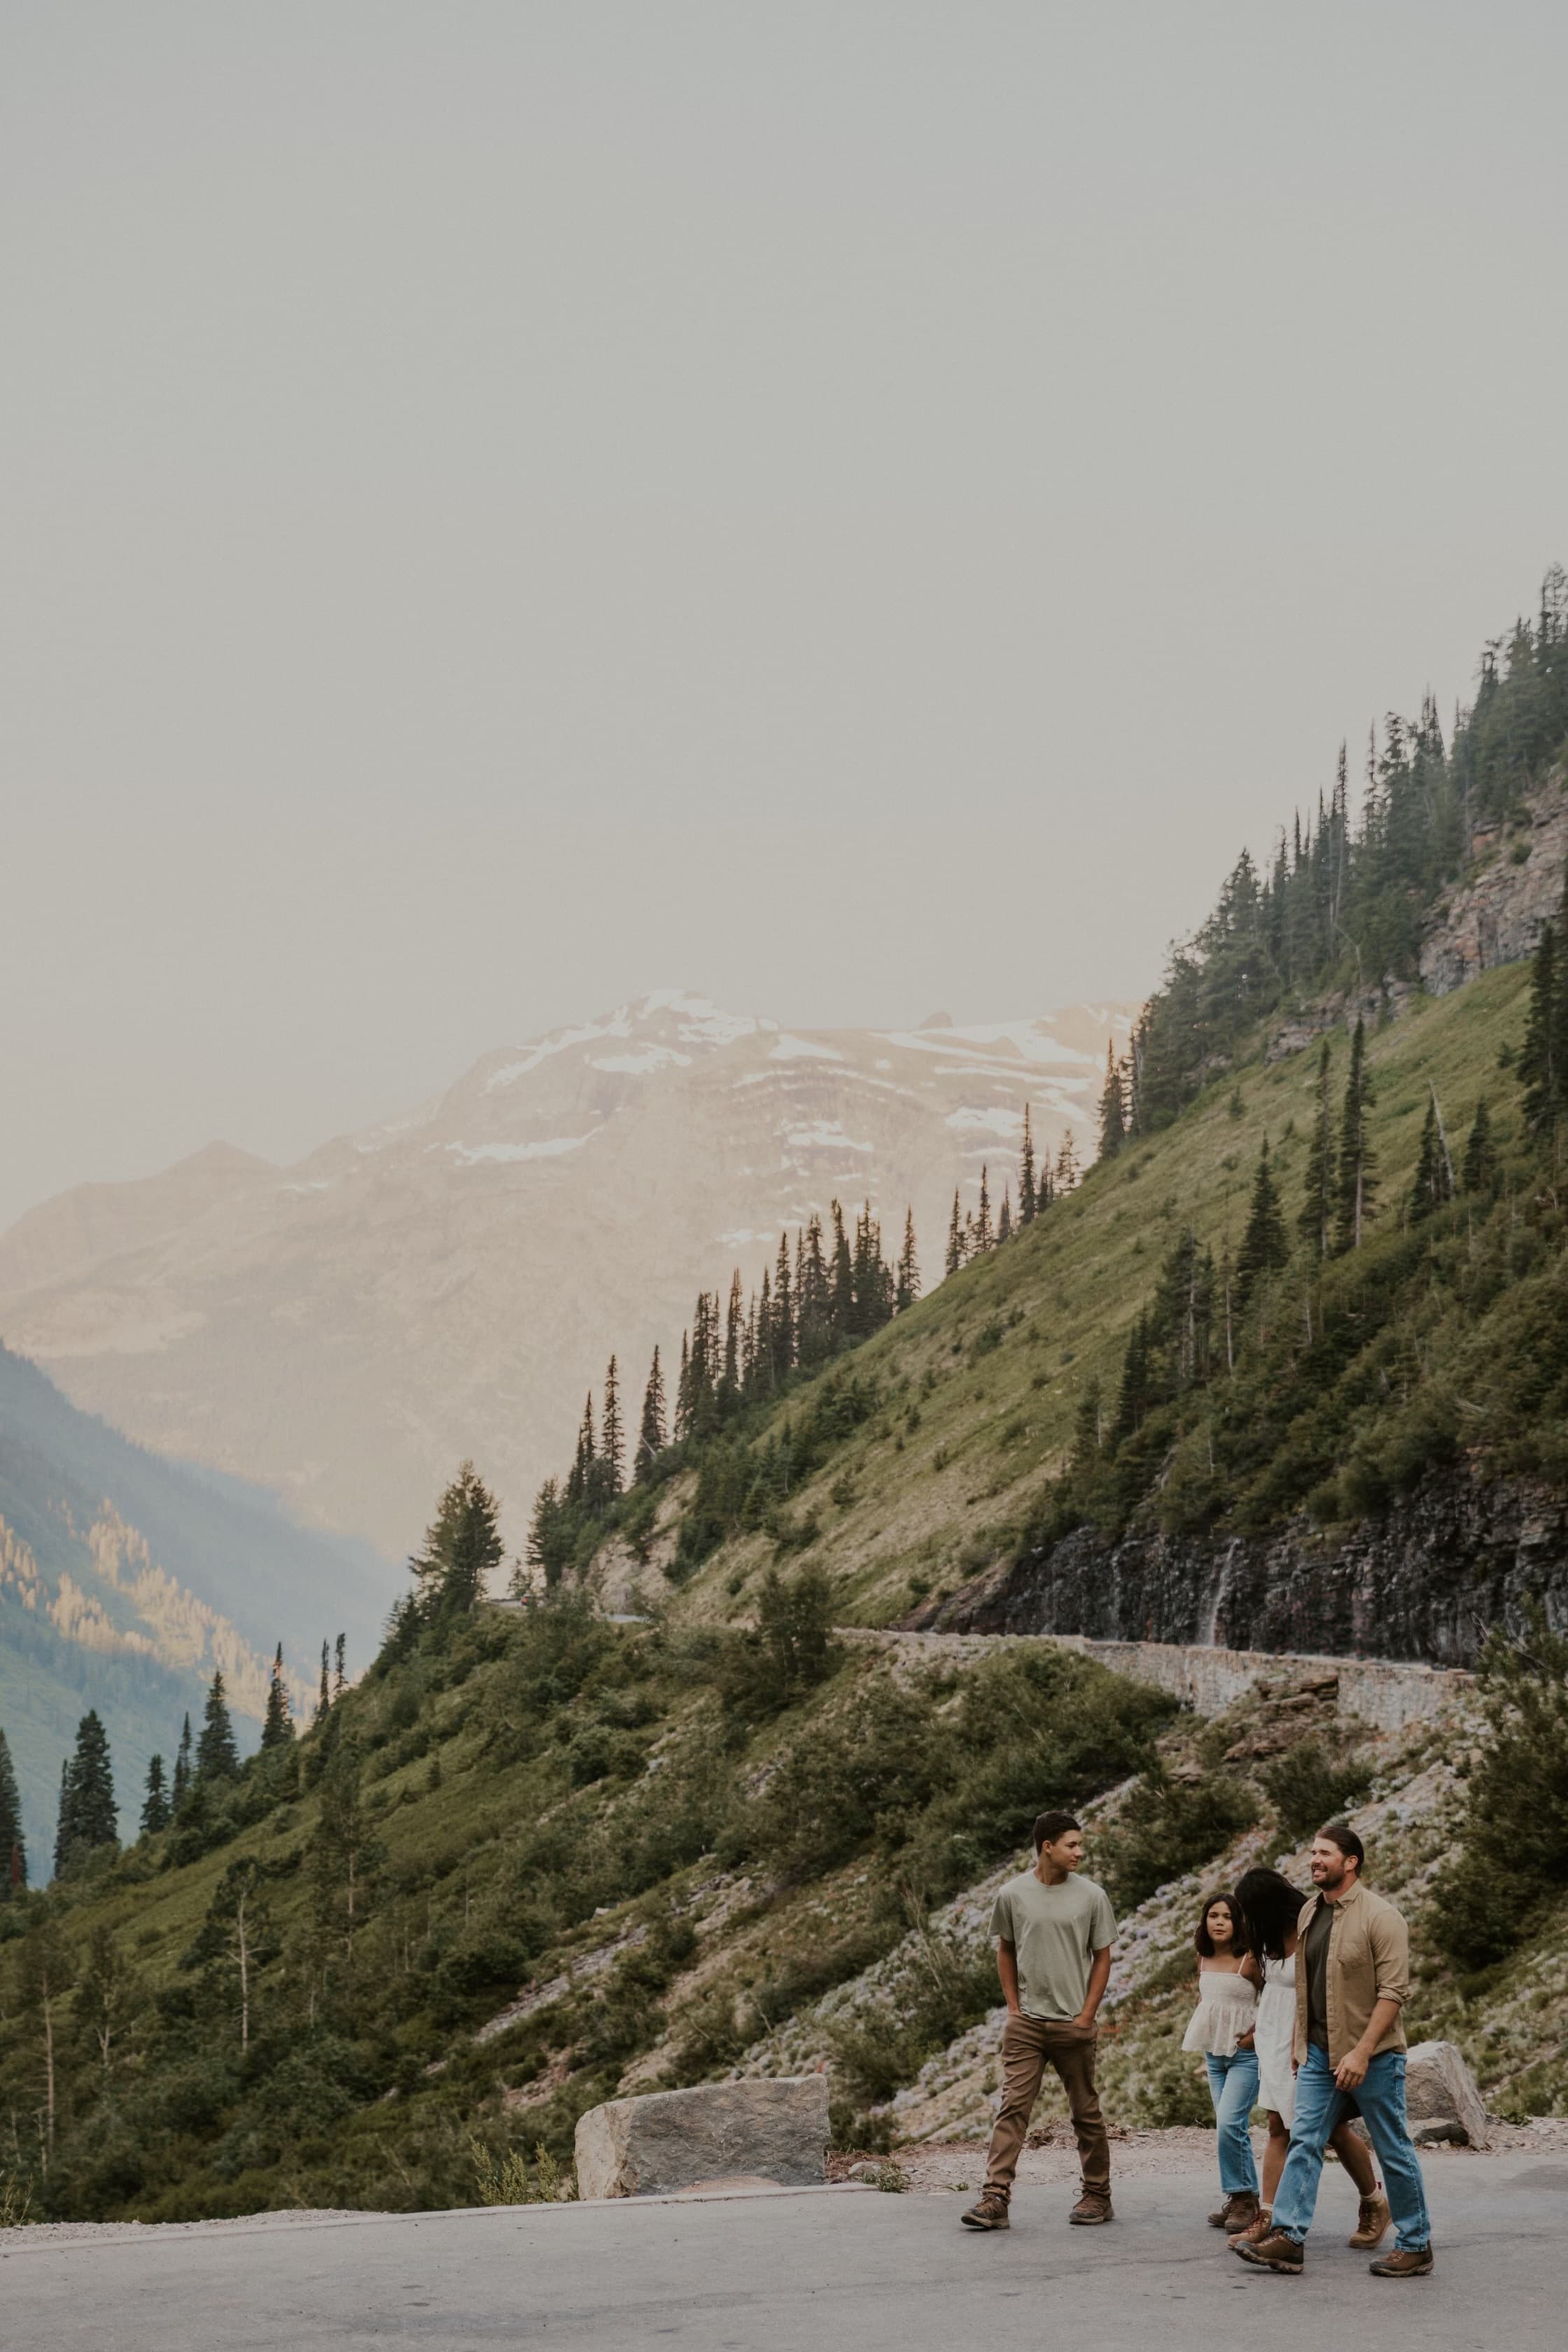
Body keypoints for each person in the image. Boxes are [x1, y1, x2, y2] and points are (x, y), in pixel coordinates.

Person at [1233, 1825, 1433, 2280]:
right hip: (1319, 2055)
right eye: (1312, 1853)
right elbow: (1306, 1987)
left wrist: (1362, 2052)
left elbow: (1394, 1993)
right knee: (1304, 2139)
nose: (1315, 1860)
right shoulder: (1308, 1915)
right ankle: (1288, 2237)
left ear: (1351, 1862)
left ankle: (1416, 2242)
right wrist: (1299, 2044)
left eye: (1325, 1853)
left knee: (1393, 2147)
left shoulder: (1382, 1917)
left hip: (1375, 2055)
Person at [960, 1809, 1116, 2232]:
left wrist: (1087, 2015)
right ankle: (995, 2198)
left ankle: (1097, 2196)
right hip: (1026, 2024)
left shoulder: (1092, 1896)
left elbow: (1103, 1957)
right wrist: (1013, 2007)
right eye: (1072, 1845)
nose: (1080, 1852)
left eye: (1080, 1845)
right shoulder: (1012, 1894)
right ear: (1047, 1847)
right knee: (1013, 2108)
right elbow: (1005, 1949)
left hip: (1073, 2023)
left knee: (1085, 2111)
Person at [1231, 1864, 1390, 2252]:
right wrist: (1255, 2033)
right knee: (1277, 2126)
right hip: (1272, 2037)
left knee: (1330, 2129)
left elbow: (1322, 1992)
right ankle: (1268, 2217)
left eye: (1249, 1910)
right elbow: (1258, 1982)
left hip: (1303, 2038)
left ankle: (1374, 2203)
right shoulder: (1264, 1937)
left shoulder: (1310, 1931)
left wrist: (1300, 2041)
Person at [1180, 1891, 1260, 2233]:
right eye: (1214, 1915)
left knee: (1230, 2124)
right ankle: (1242, 2198)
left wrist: (1254, 2035)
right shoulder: (1202, 1958)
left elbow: (1274, 2000)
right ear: (1205, 1920)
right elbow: (1208, 2001)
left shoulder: (1250, 1960)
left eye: (1227, 1917)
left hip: (1247, 2055)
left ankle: (1245, 2201)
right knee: (1228, 2129)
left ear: (1238, 1922)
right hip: (1215, 2055)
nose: (1219, 1922)